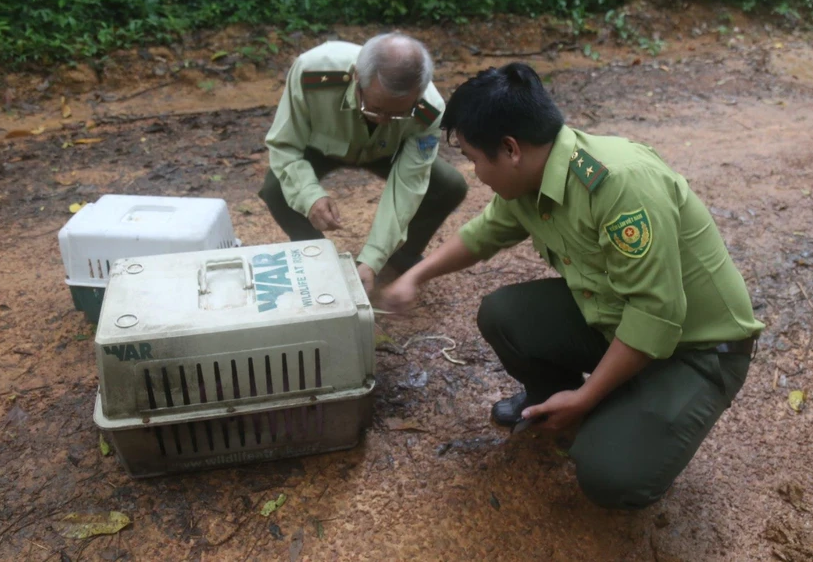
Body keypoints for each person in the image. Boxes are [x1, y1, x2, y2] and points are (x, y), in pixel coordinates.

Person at [380, 62, 764, 509]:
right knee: (504, 315)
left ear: (510, 148)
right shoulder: (533, 174)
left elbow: (655, 315)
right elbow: (482, 235)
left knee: (610, 477)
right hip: (618, 323)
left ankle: (614, 411)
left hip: (695, 351)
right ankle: (554, 402)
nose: (475, 173)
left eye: (473, 159)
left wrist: (586, 397)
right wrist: (415, 276)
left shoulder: (618, 183)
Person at [259, 33, 468, 292]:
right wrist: (309, 195)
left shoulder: (429, 109)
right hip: (321, 144)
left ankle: (401, 254)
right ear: (357, 77)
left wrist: (372, 259)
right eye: (376, 108)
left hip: (387, 150)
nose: (384, 120)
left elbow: (408, 186)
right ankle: (315, 257)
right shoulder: (312, 72)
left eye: (399, 113)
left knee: (449, 186)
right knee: (276, 188)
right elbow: (284, 145)